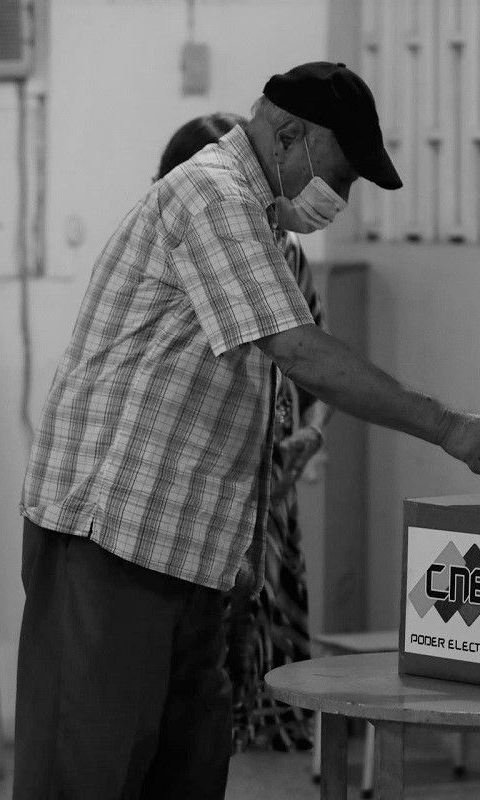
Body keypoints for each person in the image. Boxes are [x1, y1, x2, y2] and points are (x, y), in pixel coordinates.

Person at [14, 61, 480, 800]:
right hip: (111, 546)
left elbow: (270, 396)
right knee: (87, 776)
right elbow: (299, 351)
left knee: (184, 775)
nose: (339, 200)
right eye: (340, 176)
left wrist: (244, 564)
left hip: (196, 563)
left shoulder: (270, 240)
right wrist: (447, 426)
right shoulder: (208, 194)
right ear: (287, 133)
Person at [157, 111, 327, 754]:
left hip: (271, 500)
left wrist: (309, 437)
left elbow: (317, 373)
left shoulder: (287, 256)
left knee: (266, 673)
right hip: (196, 494)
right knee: (197, 686)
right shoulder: (175, 248)